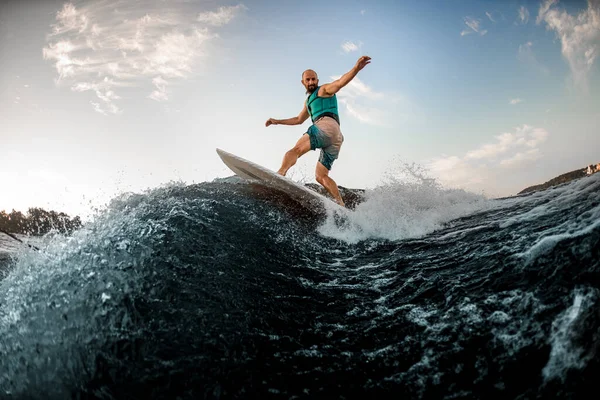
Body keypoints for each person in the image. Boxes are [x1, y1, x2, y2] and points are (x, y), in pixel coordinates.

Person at [265, 55, 372, 207]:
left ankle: (280, 174)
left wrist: (356, 68)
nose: (311, 82)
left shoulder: (324, 90)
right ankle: (340, 204)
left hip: (325, 126)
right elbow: (298, 119)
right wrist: (277, 121)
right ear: (303, 82)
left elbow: (340, 82)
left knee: (295, 150)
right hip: (336, 137)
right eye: (308, 80)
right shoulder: (309, 101)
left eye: (313, 79)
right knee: (321, 176)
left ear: (317, 80)